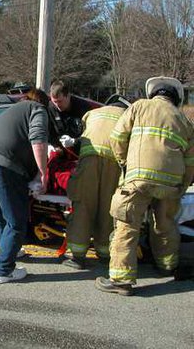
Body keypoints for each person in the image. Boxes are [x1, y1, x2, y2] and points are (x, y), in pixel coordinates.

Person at [95, 77, 194, 296]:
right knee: (165, 224)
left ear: (153, 94)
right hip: (171, 183)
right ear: (176, 98)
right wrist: (181, 187)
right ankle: (168, 265)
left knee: (127, 224)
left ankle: (121, 280)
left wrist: (124, 164)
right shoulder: (184, 120)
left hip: (139, 179)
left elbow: (117, 137)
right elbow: (190, 163)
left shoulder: (139, 107)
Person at [0, 88, 49, 283]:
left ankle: (10, 252)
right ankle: (4, 270)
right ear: (42, 102)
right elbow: (38, 140)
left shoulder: (10, 110)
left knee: (0, 215)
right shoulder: (37, 109)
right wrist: (43, 172)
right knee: (16, 222)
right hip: (5, 167)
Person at [63, 96, 130, 269]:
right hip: (114, 163)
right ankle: (105, 253)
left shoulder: (92, 113)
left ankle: (76, 256)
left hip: (89, 160)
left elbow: (82, 134)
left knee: (83, 206)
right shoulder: (128, 115)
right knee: (107, 208)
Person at [48, 80, 94, 148]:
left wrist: (75, 141)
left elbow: (92, 132)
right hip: (60, 151)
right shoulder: (50, 108)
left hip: (82, 149)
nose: (57, 105)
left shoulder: (83, 108)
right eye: (55, 102)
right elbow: (48, 132)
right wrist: (50, 145)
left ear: (68, 96)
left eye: (60, 101)